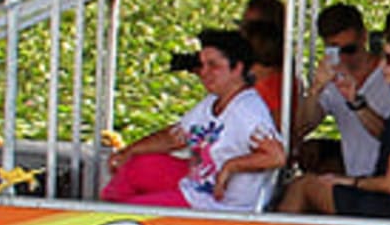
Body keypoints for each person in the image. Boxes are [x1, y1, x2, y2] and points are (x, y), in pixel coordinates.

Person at [100, 29, 287, 211]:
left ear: (237, 68)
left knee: (131, 211)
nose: (204, 72)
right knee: (137, 166)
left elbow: (275, 156)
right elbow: (175, 137)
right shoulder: (213, 101)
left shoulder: (248, 111)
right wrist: (129, 151)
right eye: (202, 65)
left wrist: (231, 166)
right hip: (197, 184)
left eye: (213, 66)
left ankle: (107, 223)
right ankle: (99, 219)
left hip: (220, 204)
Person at [284, 29, 390, 219]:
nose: (382, 66)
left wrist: (348, 181)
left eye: (389, 60)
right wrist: (354, 100)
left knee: (303, 186)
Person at [286, 3, 379, 177]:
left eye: (350, 49)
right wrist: (316, 89)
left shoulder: (389, 75)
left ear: (364, 37)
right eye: (334, 50)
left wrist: (356, 102)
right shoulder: (333, 80)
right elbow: (301, 127)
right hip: (355, 179)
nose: (343, 57)